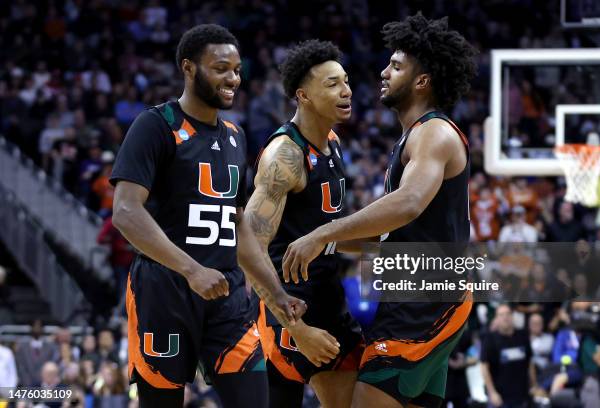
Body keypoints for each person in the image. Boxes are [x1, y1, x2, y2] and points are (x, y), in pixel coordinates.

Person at [282, 13, 477, 407]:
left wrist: (324, 232)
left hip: (427, 297)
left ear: (421, 81)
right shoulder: (413, 137)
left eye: (396, 66)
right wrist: (327, 246)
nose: (383, 71)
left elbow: (408, 203)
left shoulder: (433, 133)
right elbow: (387, 234)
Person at [110, 24, 305, 408]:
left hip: (227, 293)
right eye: (220, 68)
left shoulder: (235, 135)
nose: (232, 78)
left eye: (236, 69)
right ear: (189, 68)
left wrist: (276, 292)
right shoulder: (155, 125)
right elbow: (125, 212)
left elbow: (238, 226)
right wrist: (191, 270)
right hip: (163, 289)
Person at [244, 39, 363, 408]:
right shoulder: (284, 157)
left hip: (330, 299)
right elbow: (247, 247)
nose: (345, 91)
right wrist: (297, 330)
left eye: (345, 81)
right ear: (304, 95)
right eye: (331, 84)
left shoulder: (331, 140)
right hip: (291, 313)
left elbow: (334, 231)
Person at [481, 304, 541, 408]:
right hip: (501, 397)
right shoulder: (490, 339)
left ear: (512, 316)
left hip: (522, 394)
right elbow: (484, 366)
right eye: (501, 315)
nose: (505, 317)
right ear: (497, 319)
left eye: (508, 314)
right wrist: (492, 392)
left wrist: (534, 385)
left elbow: (530, 363)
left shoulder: (522, 335)